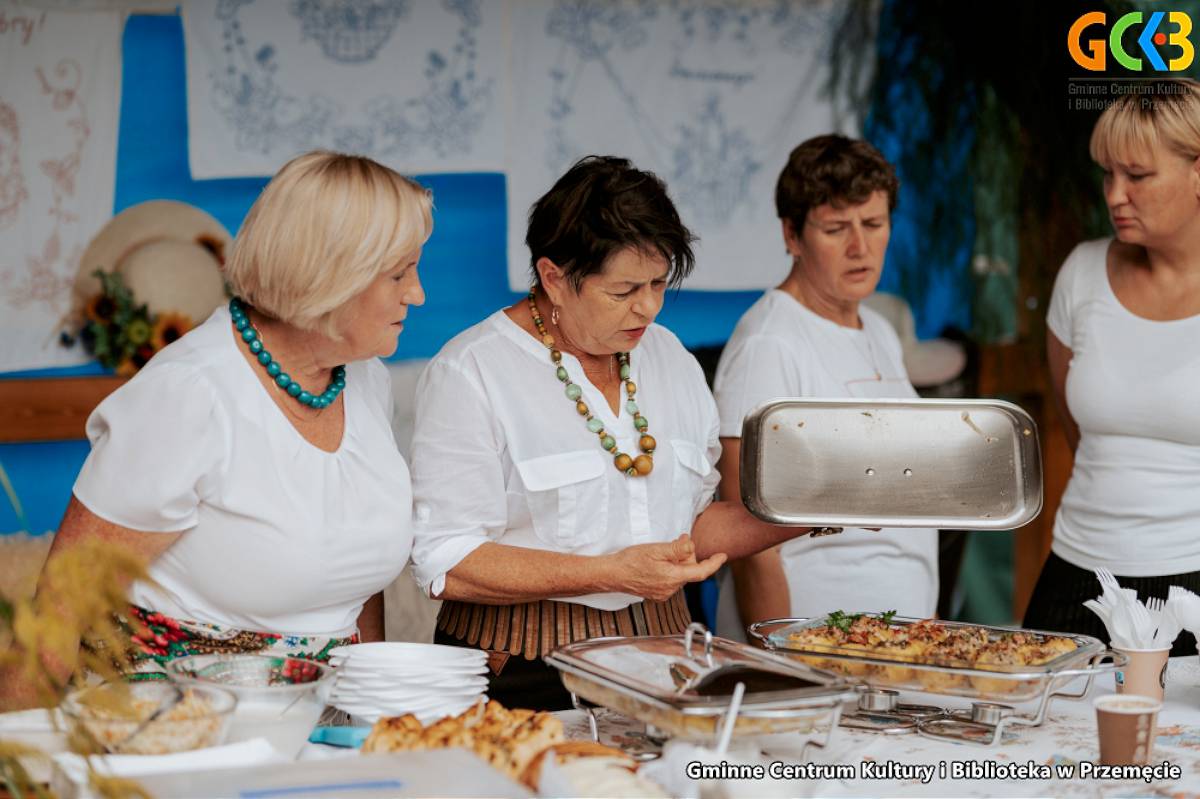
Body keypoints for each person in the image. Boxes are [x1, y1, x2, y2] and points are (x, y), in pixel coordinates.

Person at [410, 156, 828, 710]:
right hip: (522, 678)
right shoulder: (472, 371)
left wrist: (824, 504)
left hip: (664, 664)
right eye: (623, 290)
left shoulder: (671, 358)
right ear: (554, 278)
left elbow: (693, 527)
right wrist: (609, 574)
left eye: (658, 283)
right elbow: (448, 560)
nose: (648, 307)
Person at [11, 152, 431, 691]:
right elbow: (59, 613)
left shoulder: (365, 378)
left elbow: (353, 582)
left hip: (324, 715)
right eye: (399, 274)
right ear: (331, 275)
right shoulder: (186, 395)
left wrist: (373, 705)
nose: (417, 293)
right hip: (177, 716)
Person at [712, 134, 938, 639]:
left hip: (894, 636)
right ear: (792, 235)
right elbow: (749, 540)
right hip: (813, 641)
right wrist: (780, 660)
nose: (859, 247)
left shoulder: (878, 330)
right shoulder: (769, 344)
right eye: (835, 229)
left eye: (873, 224)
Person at [1023, 79, 1200, 657]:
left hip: (1193, 587)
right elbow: (1077, 430)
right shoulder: (1082, 273)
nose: (1115, 195)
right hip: (1075, 576)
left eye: (1138, 175)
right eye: (1108, 175)